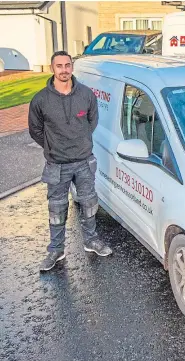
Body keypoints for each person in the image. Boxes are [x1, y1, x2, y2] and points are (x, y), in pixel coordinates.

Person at [29, 51, 112, 272]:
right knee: (56, 208)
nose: (64, 70)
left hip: (84, 161)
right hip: (56, 164)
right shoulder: (40, 100)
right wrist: (52, 147)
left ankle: (91, 240)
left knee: (88, 203)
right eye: (59, 66)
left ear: (72, 67)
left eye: (67, 65)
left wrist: (81, 142)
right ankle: (56, 249)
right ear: (52, 69)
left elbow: (92, 121)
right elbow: (35, 130)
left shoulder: (86, 95)